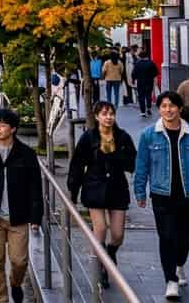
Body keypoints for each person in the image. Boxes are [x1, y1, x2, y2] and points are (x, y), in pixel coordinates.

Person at [134, 91, 189, 300]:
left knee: (185, 235)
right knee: (167, 236)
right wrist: (140, 191)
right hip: (161, 194)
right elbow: (142, 165)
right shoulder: (148, 135)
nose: (168, 110)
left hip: (188, 194)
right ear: (159, 109)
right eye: (163, 106)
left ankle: (179, 264)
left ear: (180, 108)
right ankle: (170, 280)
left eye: (172, 106)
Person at [0, 108, 43, 303]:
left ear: (13, 129)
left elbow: (35, 186)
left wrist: (36, 216)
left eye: (2, 125)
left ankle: (16, 283)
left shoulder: (26, 154)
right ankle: (1, 299)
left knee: (19, 261)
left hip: (19, 216)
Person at [68, 101, 136, 288]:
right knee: (100, 229)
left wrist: (120, 157)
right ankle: (101, 268)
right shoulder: (88, 138)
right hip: (94, 186)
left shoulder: (123, 137)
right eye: (104, 114)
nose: (108, 117)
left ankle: (110, 252)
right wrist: (73, 191)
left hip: (117, 188)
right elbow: (77, 165)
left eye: (111, 114)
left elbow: (133, 162)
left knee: (117, 235)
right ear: (97, 116)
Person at [131, 50, 160, 118]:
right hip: (149, 82)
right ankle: (148, 108)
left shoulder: (137, 63)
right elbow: (155, 74)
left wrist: (133, 80)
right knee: (148, 95)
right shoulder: (151, 63)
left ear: (140, 56)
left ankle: (142, 112)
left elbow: (133, 73)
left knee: (141, 96)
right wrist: (155, 82)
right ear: (147, 56)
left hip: (140, 82)